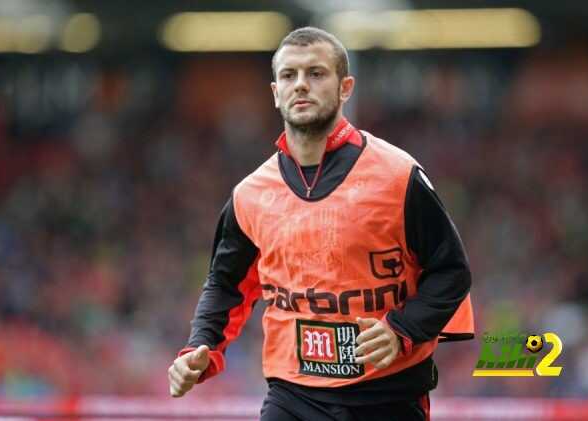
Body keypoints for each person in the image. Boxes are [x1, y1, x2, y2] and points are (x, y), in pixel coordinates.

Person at [168, 26, 474, 421]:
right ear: (275, 93)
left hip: (390, 395)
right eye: (289, 76)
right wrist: (201, 347)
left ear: (345, 87)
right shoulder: (249, 195)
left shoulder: (398, 176)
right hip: (292, 397)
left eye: (316, 74)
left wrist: (402, 329)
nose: (301, 85)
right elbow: (225, 284)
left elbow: (451, 271)